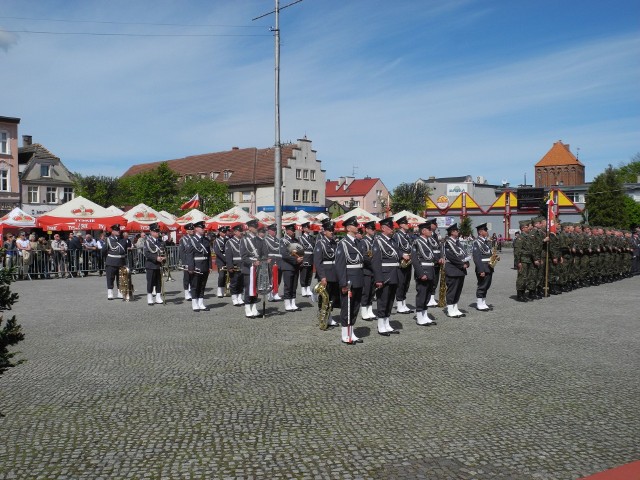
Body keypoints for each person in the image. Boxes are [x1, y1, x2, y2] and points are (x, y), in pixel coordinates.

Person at [334, 215, 364, 344]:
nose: (357, 227)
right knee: (347, 308)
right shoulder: (343, 244)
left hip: (358, 279)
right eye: (354, 225)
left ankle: (352, 332)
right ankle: (345, 334)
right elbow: (340, 266)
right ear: (348, 228)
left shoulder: (357, 242)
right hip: (349, 281)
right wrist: (343, 283)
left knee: (355, 307)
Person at [371, 216, 401, 336]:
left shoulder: (392, 241)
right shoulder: (378, 241)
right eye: (390, 227)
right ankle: (381, 325)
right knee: (383, 301)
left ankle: (387, 323)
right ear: (383, 228)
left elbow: (397, 254)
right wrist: (378, 278)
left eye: (392, 227)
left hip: (394, 274)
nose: (392, 229)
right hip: (384, 276)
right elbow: (376, 261)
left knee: (390, 301)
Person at [313, 219, 340, 327]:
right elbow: (318, 262)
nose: (332, 232)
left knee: (332, 297)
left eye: (332, 230)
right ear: (324, 231)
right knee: (324, 297)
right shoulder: (320, 243)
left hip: (334, 274)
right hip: (326, 274)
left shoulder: (334, 243)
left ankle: (330, 315)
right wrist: (322, 276)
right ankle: (323, 317)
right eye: (329, 230)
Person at [411, 222, 439, 326]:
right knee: (422, 294)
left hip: (430, 270)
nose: (431, 231)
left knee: (427, 295)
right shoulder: (417, 242)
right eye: (429, 230)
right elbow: (414, 259)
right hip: (423, 271)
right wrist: (420, 273)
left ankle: (424, 314)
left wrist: (438, 259)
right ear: (423, 231)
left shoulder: (428, 242)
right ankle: (419, 317)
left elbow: (431, 256)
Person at [240, 219, 265, 318]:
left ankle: (254, 308)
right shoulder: (245, 240)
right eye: (255, 227)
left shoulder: (259, 240)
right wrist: (253, 262)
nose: (256, 229)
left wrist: (264, 260)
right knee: (249, 289)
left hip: (258, 268)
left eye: (257, 227)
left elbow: (262, 253)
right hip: (249, 268)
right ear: (250, 228)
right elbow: (243, 256)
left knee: (256, 289)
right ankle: (247, 308)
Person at [443, 223, 469, 318]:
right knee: (452, 290)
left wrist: (467, 263)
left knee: (458, 290)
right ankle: (450, 309)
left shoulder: (457, 242)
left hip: (460, 270)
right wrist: (462, 264)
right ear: (452, 232)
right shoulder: (448, 243)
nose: (458, 232)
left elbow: (464, 254)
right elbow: (451, 257)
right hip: (453, 269)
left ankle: (455, 307)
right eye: (456, 230)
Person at [185, 221, 211, 311]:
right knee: (195, 285)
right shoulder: (191, 240)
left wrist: (210, 266)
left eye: (204, 228)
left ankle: (201, 303)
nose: (203, 229)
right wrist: (191, 267)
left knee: (203, 285)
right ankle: (194, 303)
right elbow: (189, 255)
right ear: (196, 229)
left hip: (205, 265)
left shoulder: (206, 240)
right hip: (196, 266)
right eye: (201, 228)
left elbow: (209, 255)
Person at [279, 223, 303, 312]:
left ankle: (293, 302)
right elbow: (284, 254)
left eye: (294, 230)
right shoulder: (283, 241)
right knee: (288, 285)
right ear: (287, 231)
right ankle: (287, 304)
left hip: (296, 266)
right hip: (287, 266)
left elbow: (300, 251)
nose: (293, 232)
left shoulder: (296, 240)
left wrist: (301, 258)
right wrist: (296, 260)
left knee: (294, 285)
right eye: (292, 230)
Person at [392, 216, 414, 314]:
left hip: (408, 262)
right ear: (401, 225)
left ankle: (404, 303)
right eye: (405, 223)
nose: (407, 225)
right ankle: (399, 305)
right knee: (400, 284)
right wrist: (402, 255)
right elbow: (395, 248)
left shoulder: (407, 236)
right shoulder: (397, 236)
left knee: (406, 283)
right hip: (401, 263)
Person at [357, 221, 377, 320]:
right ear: (367, 230)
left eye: (374, 229)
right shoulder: (363, 242)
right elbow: (364, 257)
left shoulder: (374, 241)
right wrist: (374, 264)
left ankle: (370, 309)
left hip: (373, 270)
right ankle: (364, 310)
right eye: (372, 229)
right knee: (366, 291)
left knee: (372, 292)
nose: (374, 231)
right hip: (367, 270)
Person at [102, 224, 128, 300]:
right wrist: (107, 259)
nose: (118, 231)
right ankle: (110, 293)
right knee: (110, 277)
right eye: (116, 230)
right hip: (111, 261)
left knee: (120, 278)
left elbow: (124, 250)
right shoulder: (108, 239)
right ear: (112, 231)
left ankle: (120, 292)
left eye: (118, 230)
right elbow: (104, 250)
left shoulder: (122, 240)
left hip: (121, 261)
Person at [143, 223, 166, 306]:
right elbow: (146, 253)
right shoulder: (148, 242)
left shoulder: (161, 242)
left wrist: (164, 258)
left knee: (159, 281)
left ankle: (158, 296)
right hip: (151, 264)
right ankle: (149, 297)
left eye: (158, 231)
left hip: (159, 265)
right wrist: (156, 258)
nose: (157, 233)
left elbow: (164, 252)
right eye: (155, 231)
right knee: (150, 281)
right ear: (151, 232)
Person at [472, 223, 493, 311]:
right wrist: (481, 270)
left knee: (487, 285)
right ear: (480, 232)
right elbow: (477, 258)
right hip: (483, 267)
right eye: (485, 230)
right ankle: (479, 303)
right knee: (482, 285)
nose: (487, 232)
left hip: (489, 266)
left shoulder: (486, 242)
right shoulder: (477, 242)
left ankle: (483, 302)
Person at [224, 225, 245, 306]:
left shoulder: (243, 241)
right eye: (240, 231)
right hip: (235, 265)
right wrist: (230, 266)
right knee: (234, 282)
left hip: (243, 265)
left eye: (242, 231)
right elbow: (228, 255)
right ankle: (234, 298)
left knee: (241, 282)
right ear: (235, 232)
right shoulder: (230, 242)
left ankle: (240, 297)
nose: (241, 233)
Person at [426, 218, 444, 307]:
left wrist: (441, 257)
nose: (436, 225)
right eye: (434, 224)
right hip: (432, 261)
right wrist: (436, 259)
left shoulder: (436, 235)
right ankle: (428, 298)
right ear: (430, 225)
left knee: (435, 280)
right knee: (431, 280)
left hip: (437, 261)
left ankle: (432, 298)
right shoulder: (428, 236)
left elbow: (439, 247)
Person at [264, 224, 282, 301]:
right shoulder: (265, 240)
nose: (275, 232)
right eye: (273, 230)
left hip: (278, 260)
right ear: (269, 231)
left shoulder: (278, 240)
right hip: (270, 260)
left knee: (278, 277)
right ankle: (270, 293)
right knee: (270, 277)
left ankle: (275, 292)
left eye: (275, 230)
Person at [298, 222, 315, 297]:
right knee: (304, 274)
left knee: (309, 274)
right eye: (307, 227)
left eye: (309, 227)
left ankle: (308, 288)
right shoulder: (300, 238)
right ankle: (303, 289)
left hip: (311, 257)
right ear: (304, 229)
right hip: (304, 257)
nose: (309, 229)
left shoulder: (311, 238)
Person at [179, 223, 195, 300]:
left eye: (192, 229)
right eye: (190, 229)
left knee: (194, 277)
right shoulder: (183, 239)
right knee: (187, 277)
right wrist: (185, 263)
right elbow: (182, 252)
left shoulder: (195, 238)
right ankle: (186, 292)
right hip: (187, 261)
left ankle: (192, 291)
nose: (192, 230)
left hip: (194, 261)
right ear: (187, 231)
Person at [212, 226, 228, 298]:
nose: (224, 233)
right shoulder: (217, 241)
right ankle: (219, 290)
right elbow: (217, 252)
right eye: (223, 232)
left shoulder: (228, 240)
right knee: (221, 276)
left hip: (228, 259)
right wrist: (225, 259)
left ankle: (226, 290)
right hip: (220, 260)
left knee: (227, 275)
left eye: (225, 232)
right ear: (220, 232)